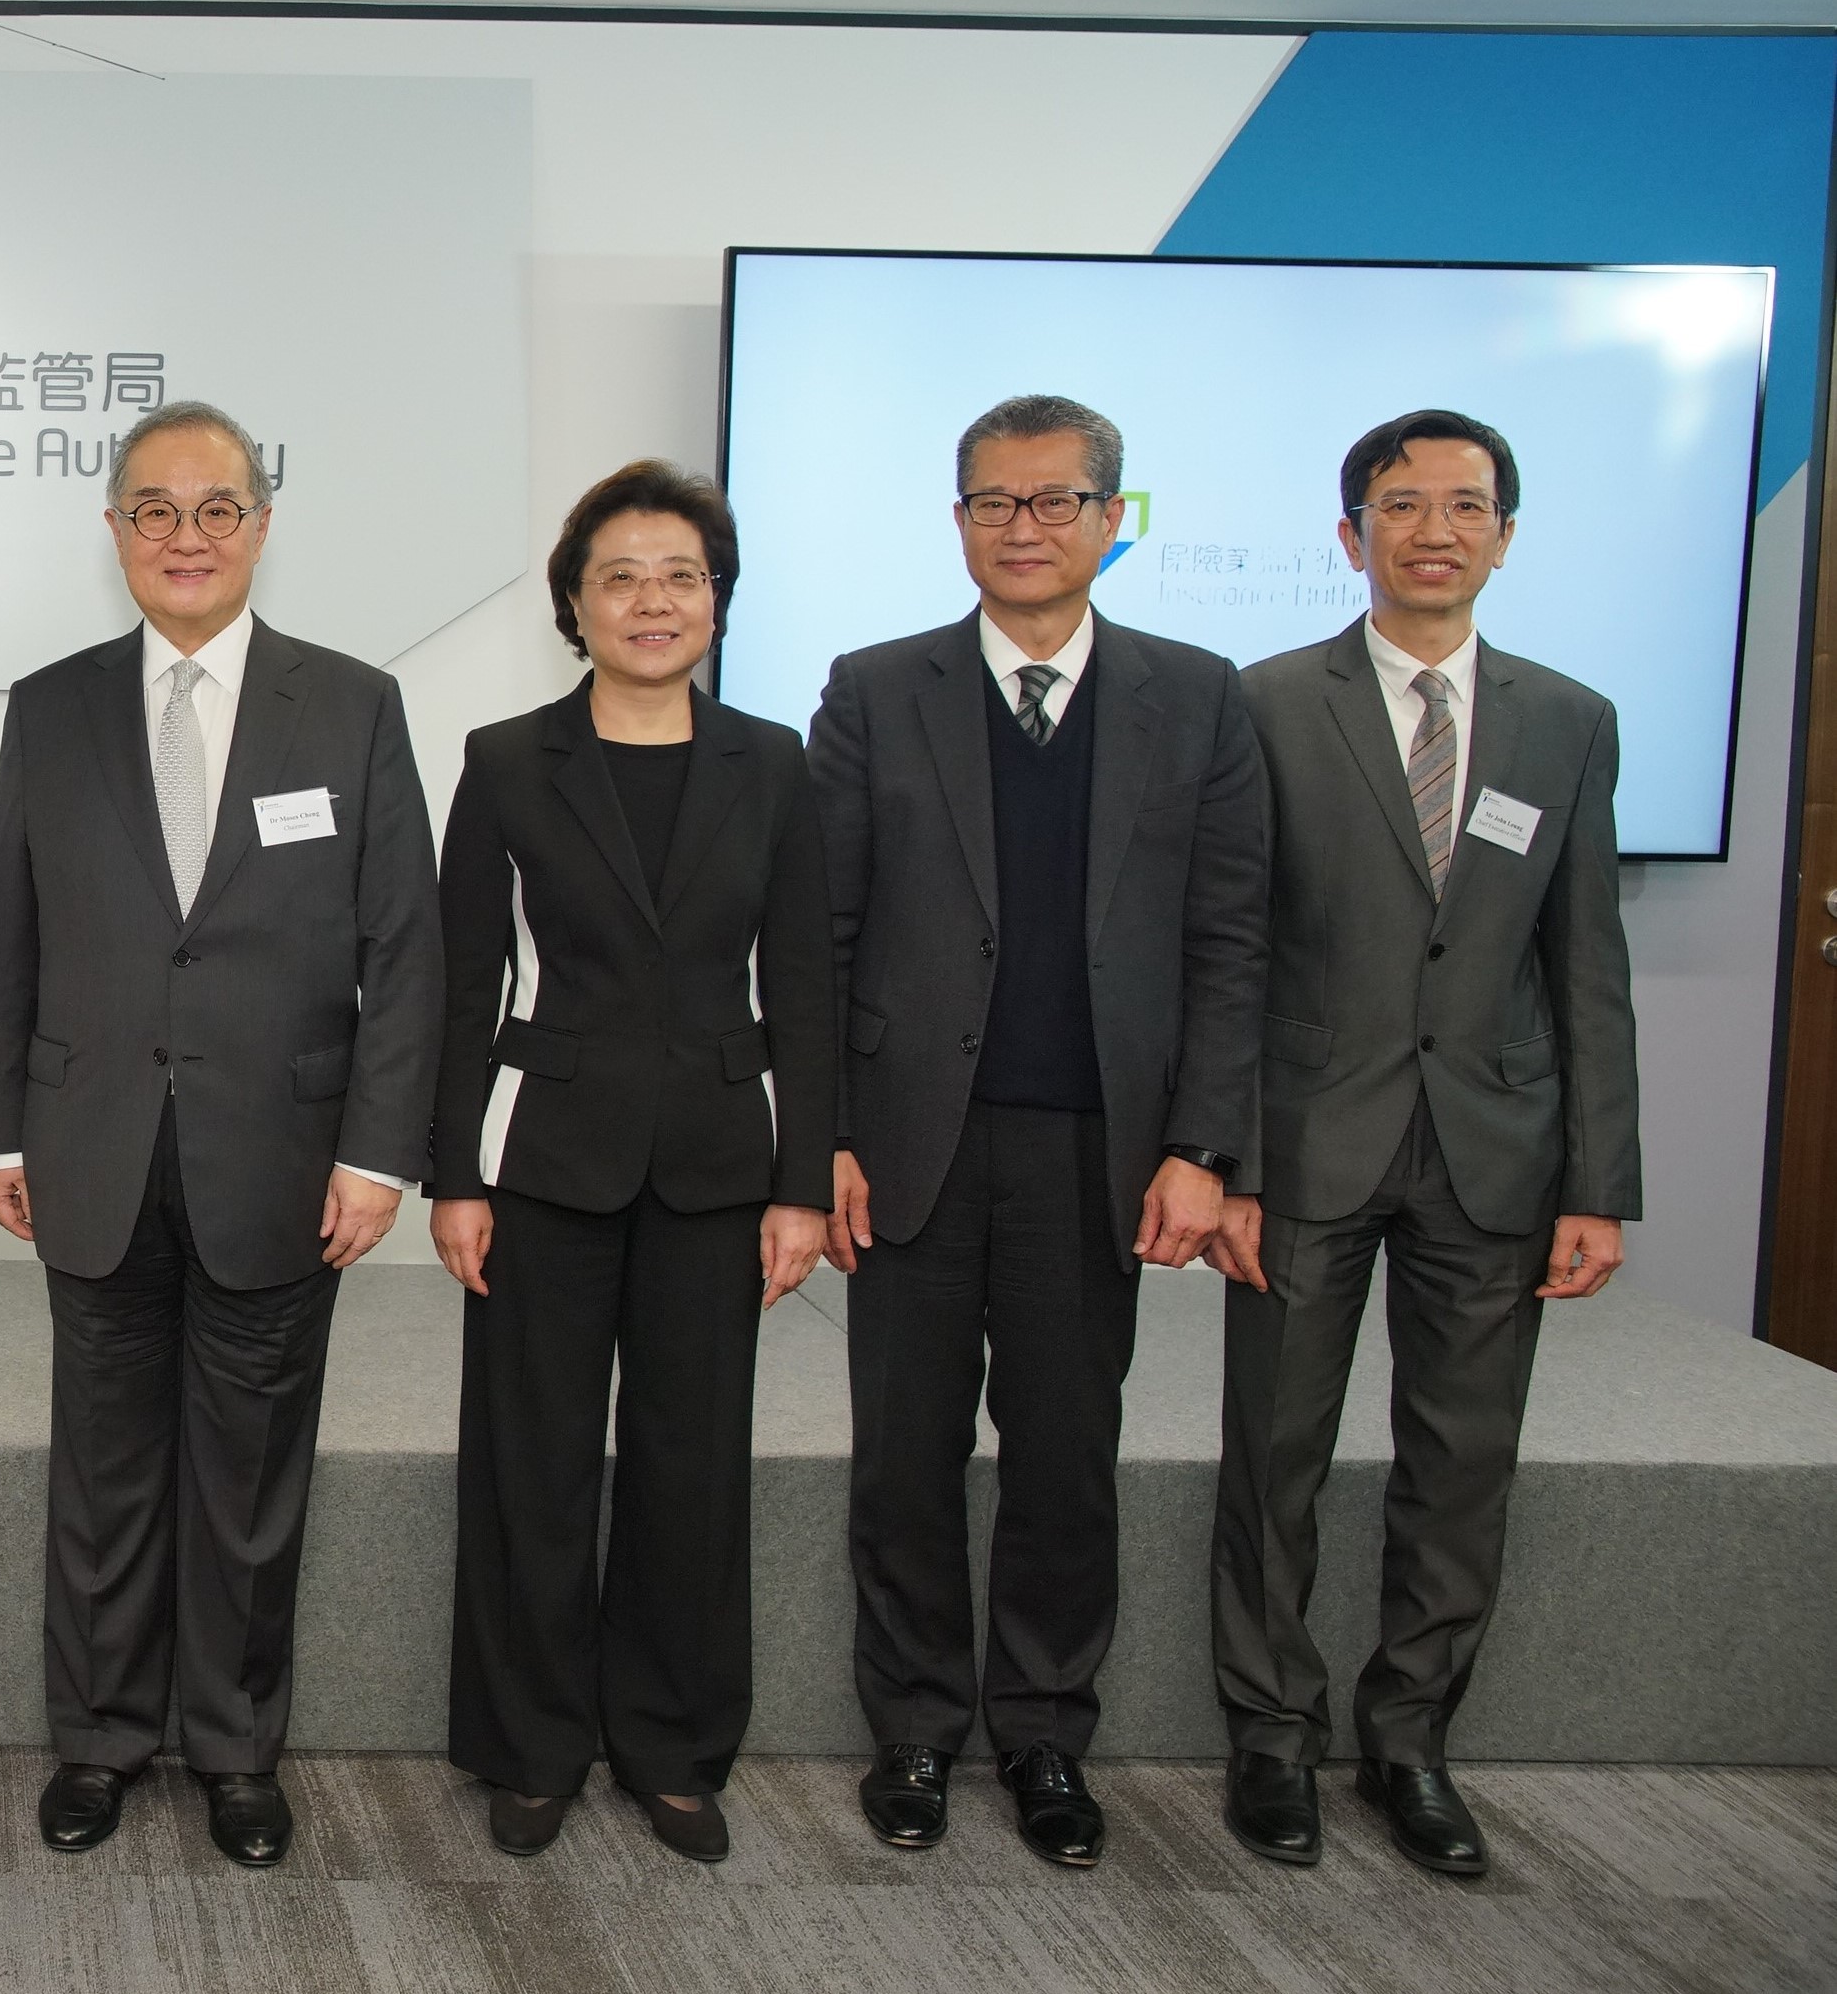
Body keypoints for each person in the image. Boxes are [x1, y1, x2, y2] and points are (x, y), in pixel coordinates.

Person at [0, 398, 442, 1869]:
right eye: (156, 511)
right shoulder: (50, 705)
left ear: (262, 525)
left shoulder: (352, 704)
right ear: (114, 530)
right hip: (90, 1144)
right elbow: (7, 935)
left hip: (283, 1159)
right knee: (102, 1470)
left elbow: (406, 948)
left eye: (217, 509)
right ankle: (101, 1739)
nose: (188, 537)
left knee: (248, 1476)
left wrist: (378, 1154)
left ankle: (236, 1749)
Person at [809, 393, 1268, 1866]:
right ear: (958, 521)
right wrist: (821, 1138)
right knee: (906, 1454)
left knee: (1066, 1453)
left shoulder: (1198, 697)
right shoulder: (876, 689)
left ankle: (1045, 1732)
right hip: (913, 1145)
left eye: (1056, 500)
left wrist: (1205, 1147)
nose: (1024, 527)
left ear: (1112, 522)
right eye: (994, 502)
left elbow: (1231, 940)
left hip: (1100, 1151)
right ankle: (916, 1728)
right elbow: (820, 934)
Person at [1206, 410, 1637, 1877]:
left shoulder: (1569, 718)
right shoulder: (1267, 702)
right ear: (1352, 536)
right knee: (1274, 1454)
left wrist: (1599, 1183)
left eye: (1465, 506)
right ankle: (1272, 1737)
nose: (1433, 530)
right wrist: (1229, 1160)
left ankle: (1410, 1742)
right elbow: (1231, 951)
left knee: (1462, 1461)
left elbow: (1586, 965)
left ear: (1504, 536)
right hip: (1305, 1143)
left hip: (1495, 1150)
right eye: (1401, 505)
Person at [430, 462, 836, 1865]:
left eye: (680, 576)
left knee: (691, 1465)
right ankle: (532, 1743)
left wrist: (801, 1183)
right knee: (530, 1465)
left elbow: (806, 985)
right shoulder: (505, 761)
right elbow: (464, 982)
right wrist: (454, 1177)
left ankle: (670, 1744)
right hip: (542, 1161)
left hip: (719, 1167)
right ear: (575, 603)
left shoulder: (774, 764)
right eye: (621, 577)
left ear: (716, 600)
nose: (652, 601)